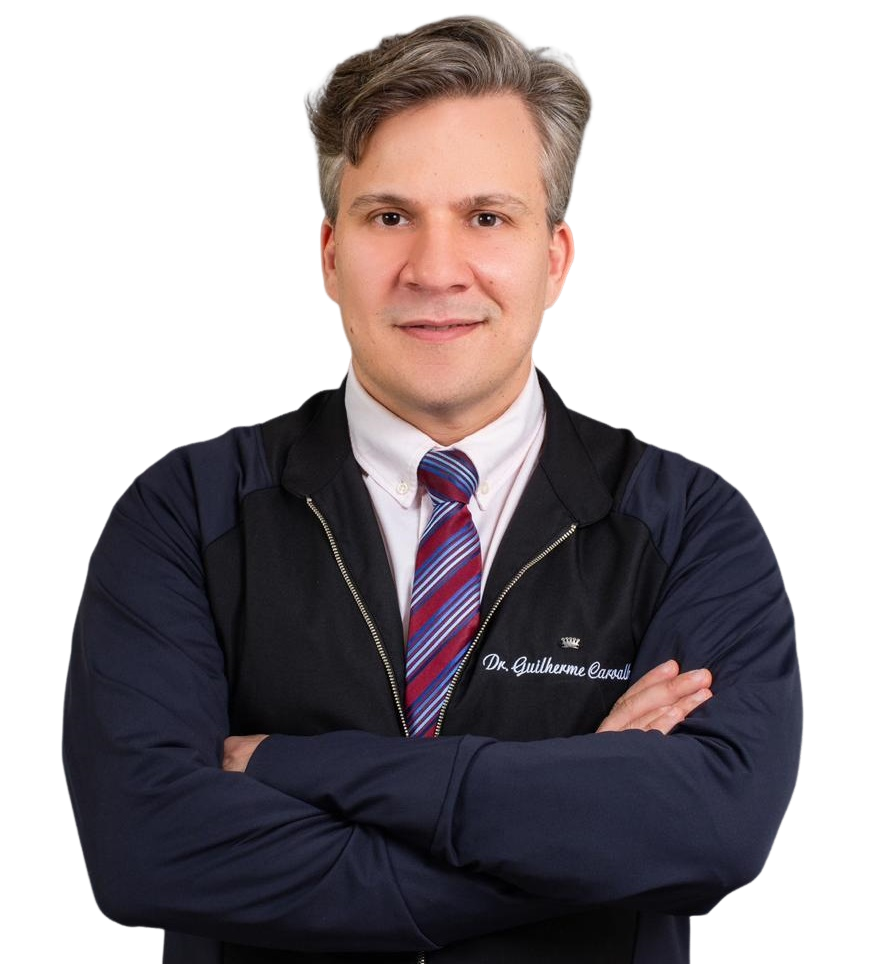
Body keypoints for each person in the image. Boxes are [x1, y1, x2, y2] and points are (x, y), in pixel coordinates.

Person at [62, 14, 802, 964]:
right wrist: (578, 817)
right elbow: (148, 852)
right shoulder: (184, 511)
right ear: (330, 256)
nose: (435, 270)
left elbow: (712, 834)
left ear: (555, 259)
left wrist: (291, 766)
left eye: (486, 217)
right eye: (389, 217)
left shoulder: (692, 525)